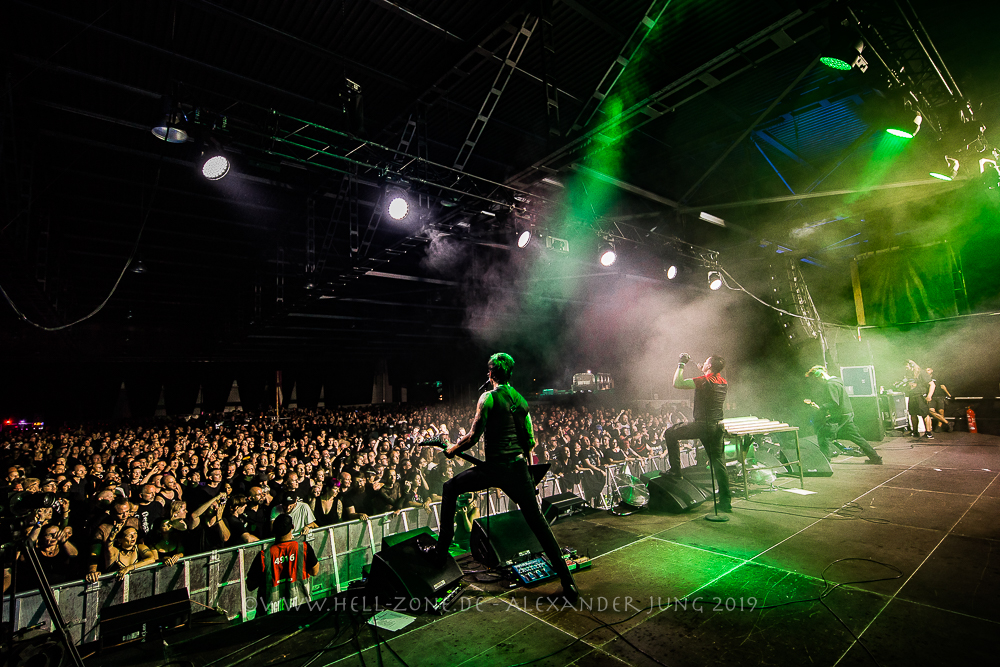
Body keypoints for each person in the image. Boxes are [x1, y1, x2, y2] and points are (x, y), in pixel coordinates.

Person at [434, 353, 578, 603]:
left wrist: (452, 450)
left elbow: (473, 436)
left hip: (496, 469)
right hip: (519, 469)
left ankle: (439, 555)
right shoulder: (521, 401)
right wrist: (523, 472)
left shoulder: (488, 397)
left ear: (491, 373)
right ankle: (568, 583)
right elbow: (530, 441)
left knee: (450, 487)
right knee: (540, 526)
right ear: (510, 374)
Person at [661, 354, 733, 512]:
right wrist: (701, 367)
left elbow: (677, 383)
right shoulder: (723, 381)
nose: (704, 362)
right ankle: (726, 501)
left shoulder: (704, 381)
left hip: (702, 425)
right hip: (717, 426)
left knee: (670, 433)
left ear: (710, 366)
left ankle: (675, 471)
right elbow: (710, 376)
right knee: (719, 463)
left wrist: (681, 364)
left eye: (707, 361)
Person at [804, 365, 883, 465]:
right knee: (856, 437)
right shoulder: (837, 382)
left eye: (817, 379)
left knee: (823, 435)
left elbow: (834, 403)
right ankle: (876, 458)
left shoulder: (831, 385)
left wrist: (822, 407)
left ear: (821, 375)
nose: (818, 382)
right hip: (846, 414)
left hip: (840, 417)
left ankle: (825, 462)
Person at [245, 513, 318, 615]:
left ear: (273, 530)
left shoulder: (264, 555)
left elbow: (250, 585)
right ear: (292, 527)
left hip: (271, 615)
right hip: (300, 609)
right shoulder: (304, 548)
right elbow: (315, 571)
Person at [904, 360, 935, 439]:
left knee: (924, 414)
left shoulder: (921, 373)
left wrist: (929, 395)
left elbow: (932, 384)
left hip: (920, 396)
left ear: (911, 365)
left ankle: (928, 432)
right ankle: (915, 431)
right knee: (913, 414)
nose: (906, 368)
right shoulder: (909, 374)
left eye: (907, 366)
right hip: (912, 396)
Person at [925, 367, 953, 432]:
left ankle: (939, 426)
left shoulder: (937, 377)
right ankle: (947, 422)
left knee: (941, 411)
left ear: (932, 370)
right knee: (931, 410)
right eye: (926, 370)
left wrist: (948, 394)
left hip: (940, 396)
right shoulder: (925, 378)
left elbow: (942, 386)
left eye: (928, 370)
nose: (927, 372)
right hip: (932, 397)